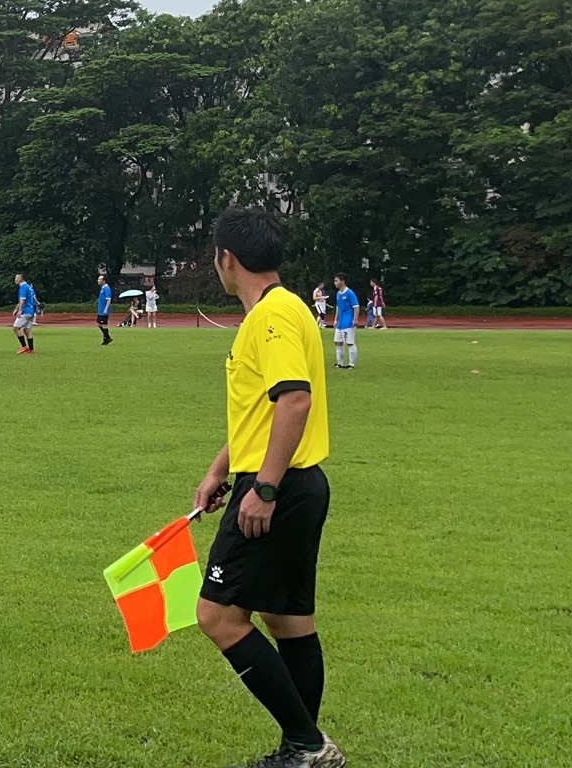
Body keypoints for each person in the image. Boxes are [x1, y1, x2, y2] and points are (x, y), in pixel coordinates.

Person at [192, 207, 342, 768]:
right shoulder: (285, 309)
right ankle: (300, 750)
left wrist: (265, 489)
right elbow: (264, 410)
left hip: (280, 489)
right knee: (288, 620)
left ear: (226, 259)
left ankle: (308, 745)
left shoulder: (272, 318)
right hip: (295, 483)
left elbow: (295, 399)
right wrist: (220, 469)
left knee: (218, 616)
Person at [331, 275, 359, 370]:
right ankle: (340, 363)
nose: (335, 283)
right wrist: (336, 319)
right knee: (337, 342)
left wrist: (355, 319)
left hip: (348, 322)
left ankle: (351, 364)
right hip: (340, 323)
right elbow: (338, 307)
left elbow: (356, 307)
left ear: (342, 281)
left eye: (336, 281)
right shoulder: (338, 294)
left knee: (350, 342)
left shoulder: (350, 293)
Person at [12, 272, 39, 355]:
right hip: (31, 311)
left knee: (16, 328)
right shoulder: (29, 287)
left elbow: (22, 300)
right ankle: (31, 350)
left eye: (16, 278)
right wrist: (16, 308)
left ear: (20, 279)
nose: (15, 280)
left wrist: (19, 311)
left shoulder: (23, 287)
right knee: (27, 330)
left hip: (26, 311)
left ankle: (24, 346)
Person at [96, 274, 114, 345]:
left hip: (104, 309)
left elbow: (108, 300)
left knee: (103, 324)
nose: (98, 281)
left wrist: (106, 309)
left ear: (104, 281)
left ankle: (106, 339)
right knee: (99, 324)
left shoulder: (106, 289)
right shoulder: (103, 288)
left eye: (100, 279)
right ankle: (108, 337)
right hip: (101, 309)